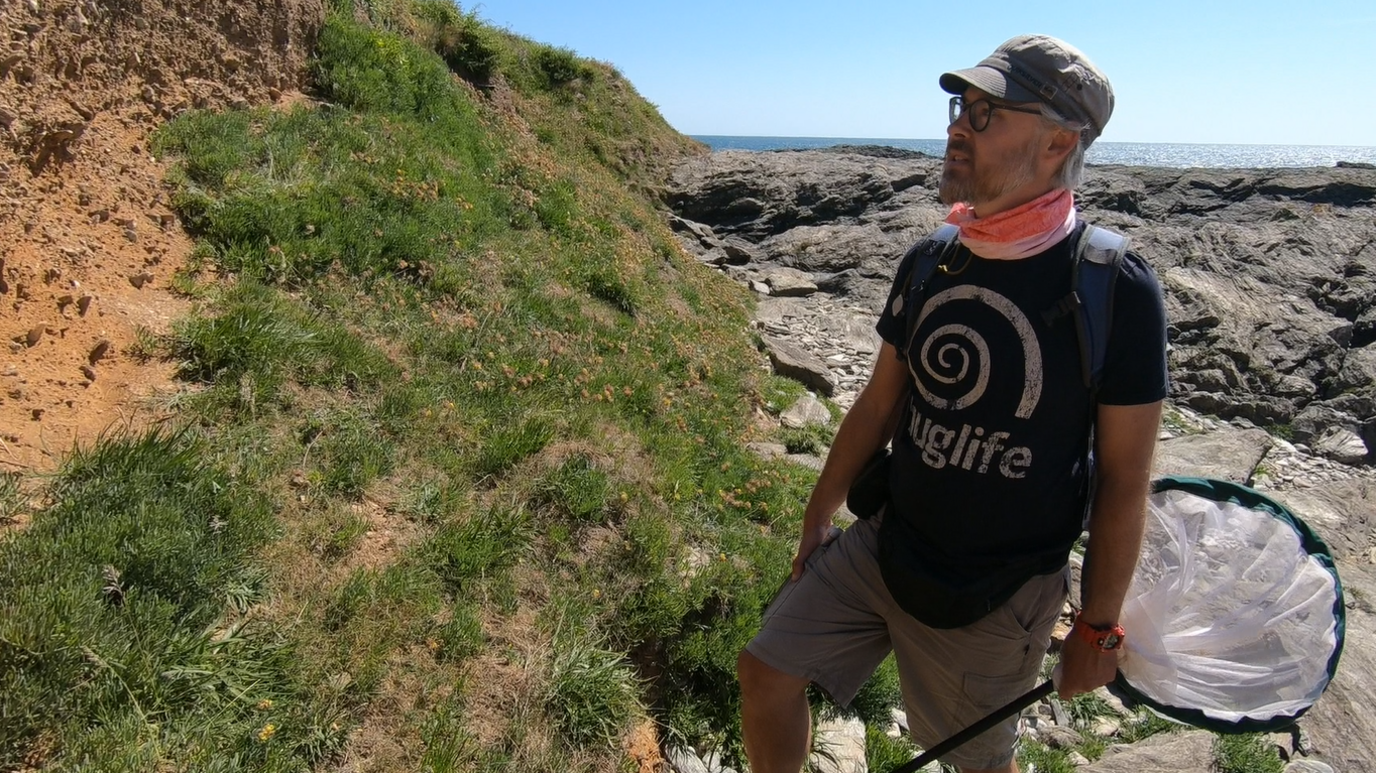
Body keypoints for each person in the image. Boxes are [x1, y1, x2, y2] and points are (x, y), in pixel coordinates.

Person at [736, 34, 1168, 773]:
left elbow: (1126, 478)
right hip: (887, 542)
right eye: (959, 106)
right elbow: (878, 405)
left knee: (972, 761)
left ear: (1060, 140)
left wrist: (1098, 627)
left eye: (988, 111)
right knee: (764, 670)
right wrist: (820, 513)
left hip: (995, 594)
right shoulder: (934, 257)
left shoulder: (1114, 286)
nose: (957, 125)